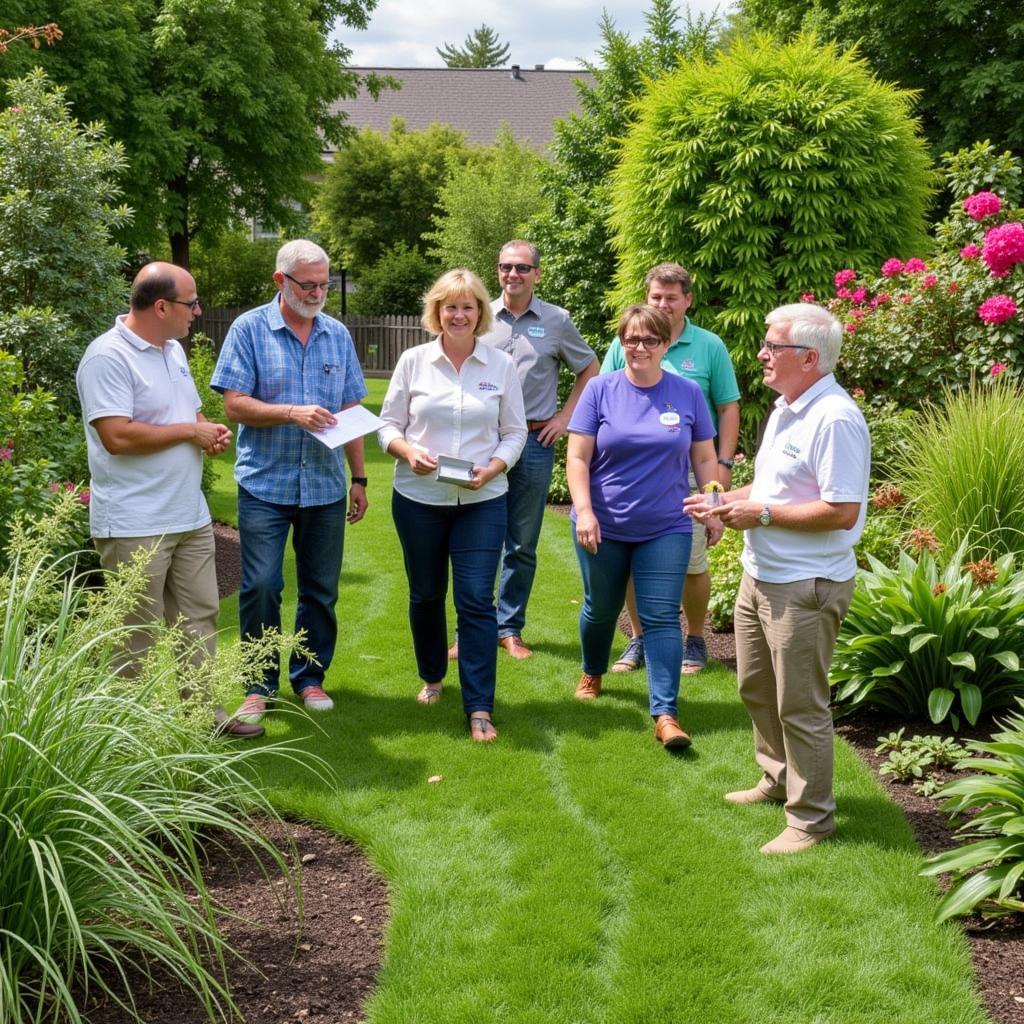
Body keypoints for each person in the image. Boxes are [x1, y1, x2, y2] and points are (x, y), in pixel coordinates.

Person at [686, 303, 870, 855]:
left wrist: (760, 516)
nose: (762, 354)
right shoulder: (788, 406)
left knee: (800, 704)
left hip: (805, 585)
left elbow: (841, 510)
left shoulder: (835, 418)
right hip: (760, 575)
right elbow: (771, 487)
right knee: (756, 688)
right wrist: (721, 500)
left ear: (809, 357)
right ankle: (776, 778)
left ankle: (812, 818)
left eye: (774, 346)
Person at [76, 261, 261, 738]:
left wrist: (205, 432)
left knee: (199, 619)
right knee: (133, 633)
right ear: (161, 306)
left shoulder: (173, 351)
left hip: (189, 516)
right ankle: (120, 735)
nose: (197, 311)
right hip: (136, 521)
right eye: (191, 302)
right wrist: (189, 430)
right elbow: (116, 435)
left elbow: (187, 410)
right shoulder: (107, 357)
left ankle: (204, 720)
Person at [211, 239, 368, 723]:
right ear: (281, 281)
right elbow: (233, 404)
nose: (319, 292)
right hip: (266, 484)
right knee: (260, 584)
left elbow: (351, 412)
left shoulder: (336, 334)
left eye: (324, 283)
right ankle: (258, 685)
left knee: (321, 588)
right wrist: (289, 413)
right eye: (309, 284)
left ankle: (310, 677)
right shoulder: (249, 329)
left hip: (324, 486)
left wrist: (359, 477)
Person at [378, 269, 527, 742]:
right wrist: (407, 452)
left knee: (475, 602)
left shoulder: (499, 365)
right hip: (419, 498)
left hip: (482, 500)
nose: (459, 315)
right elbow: (387, 425)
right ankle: (431, 677)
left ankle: (479, 706)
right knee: (425, 594)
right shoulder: (413, 361)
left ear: (480, 313)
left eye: (468, 307)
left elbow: (515, 432)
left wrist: (496, 466)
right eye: (450, 307)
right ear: (436, 313)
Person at [567, 305, 721, 750]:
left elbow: (705, 458)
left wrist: (711, 505)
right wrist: (586, 510)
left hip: (666, 524)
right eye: (631, 339)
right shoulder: (600, 390)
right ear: (621, 342)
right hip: (604, 523)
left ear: (665, 345)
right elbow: (577, 458)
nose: (639, 348)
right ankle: (592, 671)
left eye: (649, 340)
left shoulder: (687, 392)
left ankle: (666, 714)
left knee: (659, 617)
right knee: (600, 607)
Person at [602, 262, 740, 675]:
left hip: (694, 471)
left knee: (694, 560)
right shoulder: (625, 342)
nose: (662, 304)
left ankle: (695, 640)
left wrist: (724, 464)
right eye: (655, 297)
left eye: (671, 298)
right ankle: (640, 639)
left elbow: (728, 406)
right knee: (630, 555)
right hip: (636, 474)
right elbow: (606, 397)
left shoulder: (709, 346)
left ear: (688, 300)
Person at [471, 239, 598, 660]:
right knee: (475, 537)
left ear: (537, 274)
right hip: (483, 442)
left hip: (534, 442)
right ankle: (472, 628)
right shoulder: (479, 315)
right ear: (498, 271)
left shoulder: (557, 321)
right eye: (507, 267)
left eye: (523, 268)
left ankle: (509, 628)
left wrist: (566, 418)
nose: (514, 275)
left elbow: (589, 369)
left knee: (522, 542)